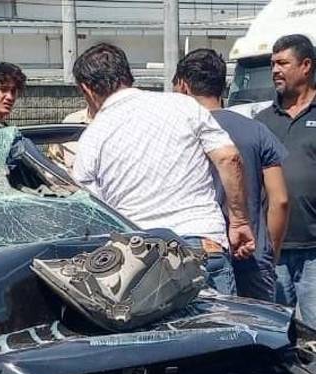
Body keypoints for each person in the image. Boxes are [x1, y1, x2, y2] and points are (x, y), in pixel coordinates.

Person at [70, 43, 255, 294]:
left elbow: (91, 211)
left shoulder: (91, 138)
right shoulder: (184, 106)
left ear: (87, 89)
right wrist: (239, 221)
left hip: (141, 261)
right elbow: (229, 158)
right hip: (203, 245)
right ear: (128, 75)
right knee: (220, 331)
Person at [174, 48, 289, 302]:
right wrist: (270, 250)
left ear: (182, 86)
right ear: (223, 85)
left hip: (202, 252)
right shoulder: (257, 130)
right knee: (262, 333)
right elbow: (279, 199)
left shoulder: (177, 134)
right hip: (253, 256)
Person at [258, 34, 316, 319]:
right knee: (278, 332)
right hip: (274, 251)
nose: (275, 70)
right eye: (273, 64)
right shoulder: (262, 121)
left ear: (306, 66)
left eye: (283, 63)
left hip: (314, 252)